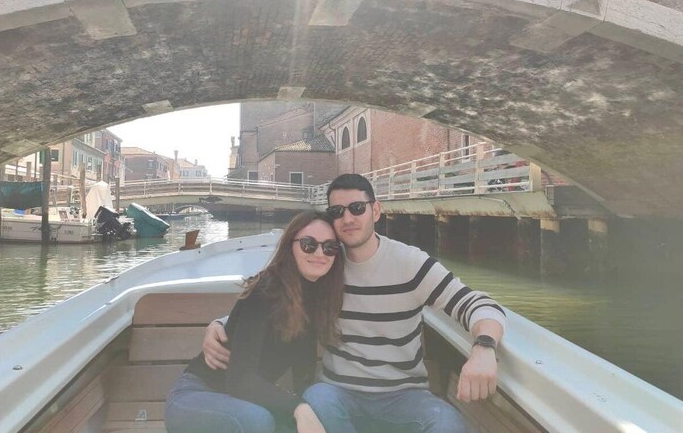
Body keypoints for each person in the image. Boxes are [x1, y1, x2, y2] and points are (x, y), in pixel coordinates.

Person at [203, 174, 506, 432]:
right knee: (317, 400)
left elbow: (477, 304)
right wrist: (222, 323)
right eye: (337, 211)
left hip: (404, 396)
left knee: (448, 424)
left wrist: (483, 347)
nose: (347, 218)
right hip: (337, 393)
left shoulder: (410, 264)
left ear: (376, 211)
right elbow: (276, 295)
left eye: (357, 208)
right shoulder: (325, 264)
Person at [165, 210, 345, 433]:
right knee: (259, 420)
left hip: (244, 402)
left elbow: (303, 374)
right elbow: (239, 380)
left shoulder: (317, 297)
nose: (320, 253)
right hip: (196, 398)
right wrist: (299, 408)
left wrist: (308, 412)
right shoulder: (265, 291)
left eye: (330, 247)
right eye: (309, 244)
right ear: (291, 246)